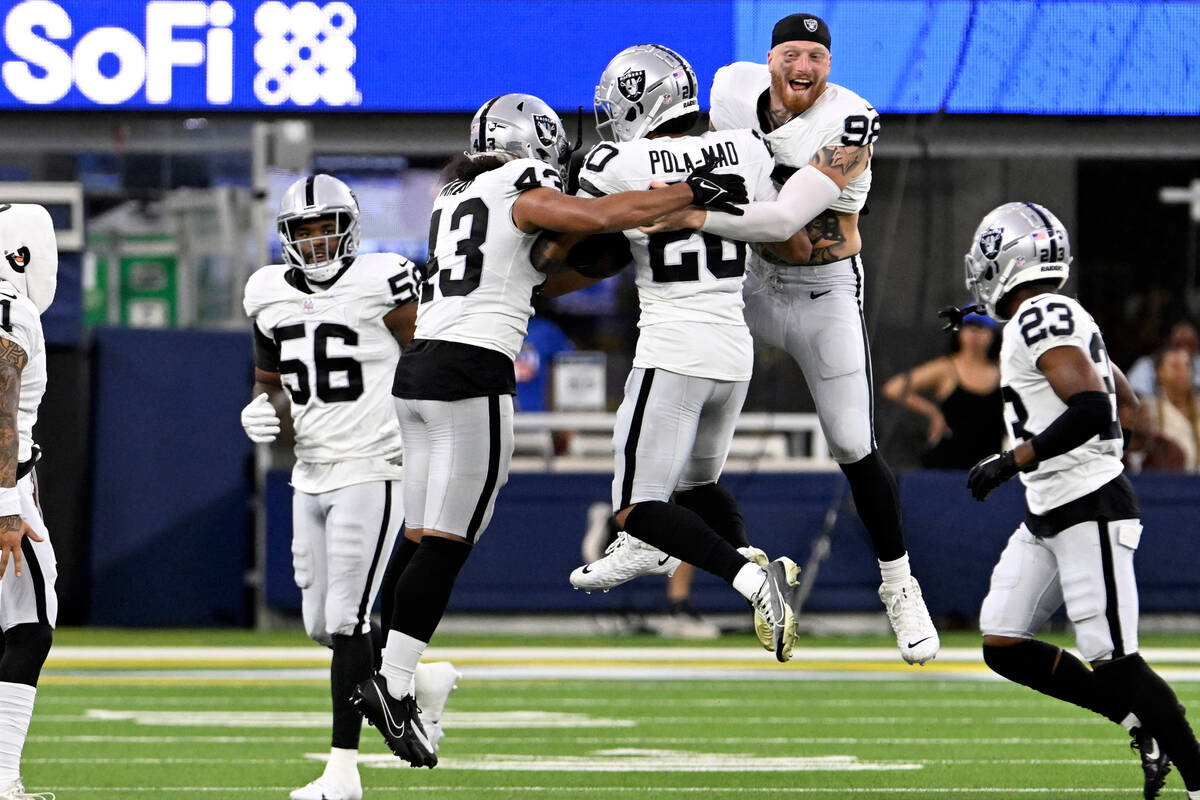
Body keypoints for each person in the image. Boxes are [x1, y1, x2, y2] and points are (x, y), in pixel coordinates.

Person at [353, 92, 753, 768]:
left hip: (418, 372)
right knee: (448, 542)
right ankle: (392, 686)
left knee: (418, 536)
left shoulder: (454, 195)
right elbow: (595, 214)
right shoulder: (520, 178)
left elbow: (537, 265)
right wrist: (690, 191)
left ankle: (382, 664)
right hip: (470, 371)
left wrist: (601, 244)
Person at [647, 12, 939, 664]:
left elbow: (786, 224)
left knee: (852, 443)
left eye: (816, 56)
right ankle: (659, 527)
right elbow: (702, 170)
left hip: (821, 292)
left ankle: (900, 585)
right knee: (678, 367)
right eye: (792, 54)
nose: (803, 67)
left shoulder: (851, 121)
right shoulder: (730, 89)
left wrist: (689, 210)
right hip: (748, 279)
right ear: (770, 58)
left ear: (829, 65)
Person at [564, 44, 805, 662]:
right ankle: (748, 561)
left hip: (673, 347)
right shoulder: (746, 148)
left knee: (636, 506)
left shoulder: (617, 161)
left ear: (639, 101)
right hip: (733, 350)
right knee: (697, 486)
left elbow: (578, 230)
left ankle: (744, 580)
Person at [961, 201, 1200, 800]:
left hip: (1088, 504)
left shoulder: (1044, 314)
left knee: (1115, 658)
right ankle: (1140, 724)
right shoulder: (1050, 315)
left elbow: (1094, 407)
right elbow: (1125, 401)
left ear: (1009, 259)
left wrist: (1011, 459)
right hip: (1052, 507)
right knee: (1003, 642)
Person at [240, 175, 458, 800]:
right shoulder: (266, 292)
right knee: (322, 625)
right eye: (303, 230)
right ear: (286, 236)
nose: (316, 240)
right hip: (309, 470)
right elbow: (269, 381)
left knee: (347, 620)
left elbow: (428, 354)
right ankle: (421, 679)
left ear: (351, 227)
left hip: (373, 464)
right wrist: (260, 408)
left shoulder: (382, 278)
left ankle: (342, 772)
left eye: (325, 227)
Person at [0, 205, 59, 800]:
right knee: (29, 627)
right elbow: (1, 394)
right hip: (1, 485)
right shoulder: (11, 306)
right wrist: (5, 504)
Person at [882, 311, 1004, 469]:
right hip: (946, 465)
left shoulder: (1002, 370)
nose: (974, 333)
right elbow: (894, 388)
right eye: (969, 327)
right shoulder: (946, 368)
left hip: (989, 466)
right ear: (959, 332)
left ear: (993, 334)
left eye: (981, 327)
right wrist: (932, 412)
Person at [1132, 346, 1200, 472]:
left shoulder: (1197, 407)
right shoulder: (1149, 410)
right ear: (1159, 371)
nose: (1183, 372)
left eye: (1187, 366)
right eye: (1175, 367)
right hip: (1168, 479)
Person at [1127, 320, 1200, 398]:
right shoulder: (1146, 365)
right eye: (1178, 344)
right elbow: (1133, 396)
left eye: (1190, 344)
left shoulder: (1197, 362)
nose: (1184, 349)